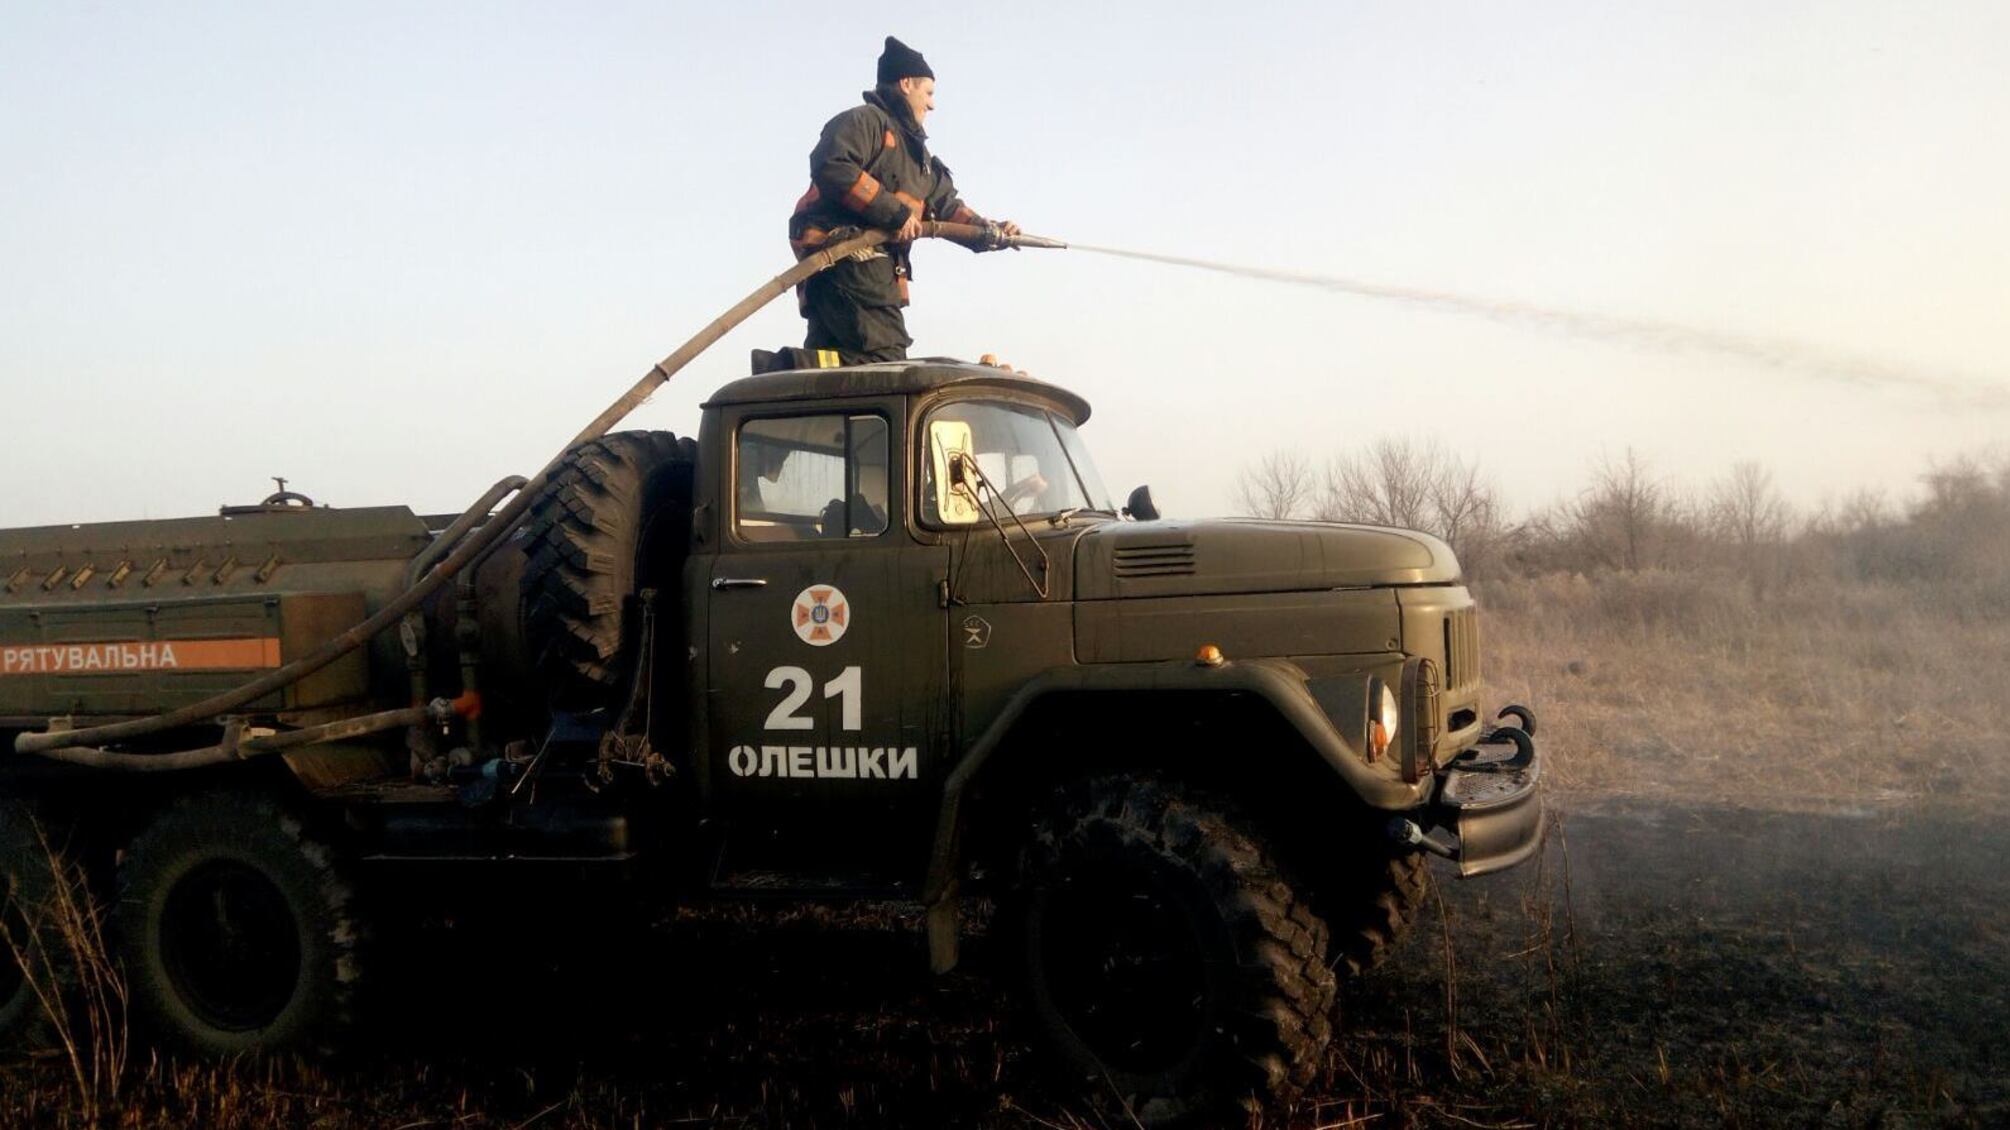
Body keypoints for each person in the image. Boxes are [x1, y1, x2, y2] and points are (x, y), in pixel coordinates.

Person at [755, 37, 1020, 374]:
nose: (933, 105)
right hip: (848, 258)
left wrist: (992, 232)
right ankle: (786, 366)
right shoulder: (866, 122)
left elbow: (947, 207)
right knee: (885, 362)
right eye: (929, 93)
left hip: (861, 274)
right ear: (906, 83)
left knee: (838, 375)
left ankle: (792, 374)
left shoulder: (919, 160)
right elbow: (832, 165)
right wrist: (894, 214)